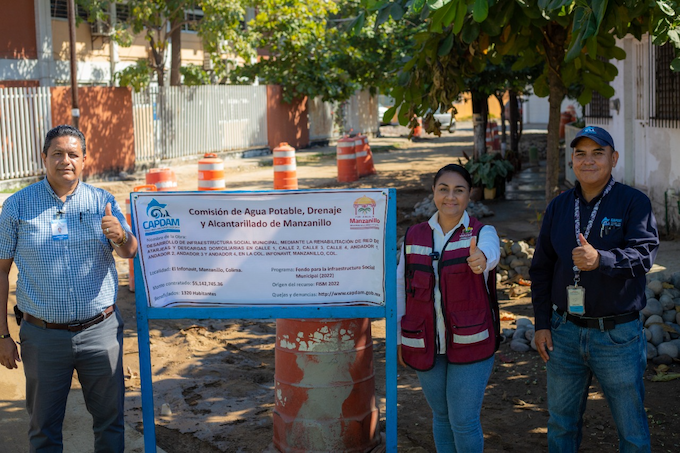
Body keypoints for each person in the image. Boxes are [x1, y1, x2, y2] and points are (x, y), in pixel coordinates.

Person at [0, 124, 138, 452]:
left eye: (73, 154)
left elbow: (130, 251)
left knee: (110, 422)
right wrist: (2, 335)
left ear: (84, 159)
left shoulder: (102, 201)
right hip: (43, 338)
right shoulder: (17, 206)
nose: (66, 160)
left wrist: (120, 235)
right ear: (44, 158)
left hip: (101, 333)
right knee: (43, 429)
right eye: (58, 153)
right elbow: (1, 271)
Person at [530, 126, 658, 452]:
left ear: (614, 159)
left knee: (632, 430)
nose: (588, 161)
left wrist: (601, 259)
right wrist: (542, 323)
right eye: (581, 154)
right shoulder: (559, 206)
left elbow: (644, 255)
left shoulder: (633, 202)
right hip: (563, 334)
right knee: (561, 425)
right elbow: (541, 268)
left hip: (616, 336)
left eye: (598, 153)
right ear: (571, 160)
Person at [396, 163, 501, 452]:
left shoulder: (482, 232)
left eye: (459, 190)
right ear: (433, 191)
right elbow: (400, 288)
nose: (450, 197)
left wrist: (482, 259)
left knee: (463, 420)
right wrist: (398, 339)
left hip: (472, 342)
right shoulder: (413, 236)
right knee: (441, 416)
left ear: (470, 195)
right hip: (424, 341)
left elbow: (491, 252)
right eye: (444, 189)